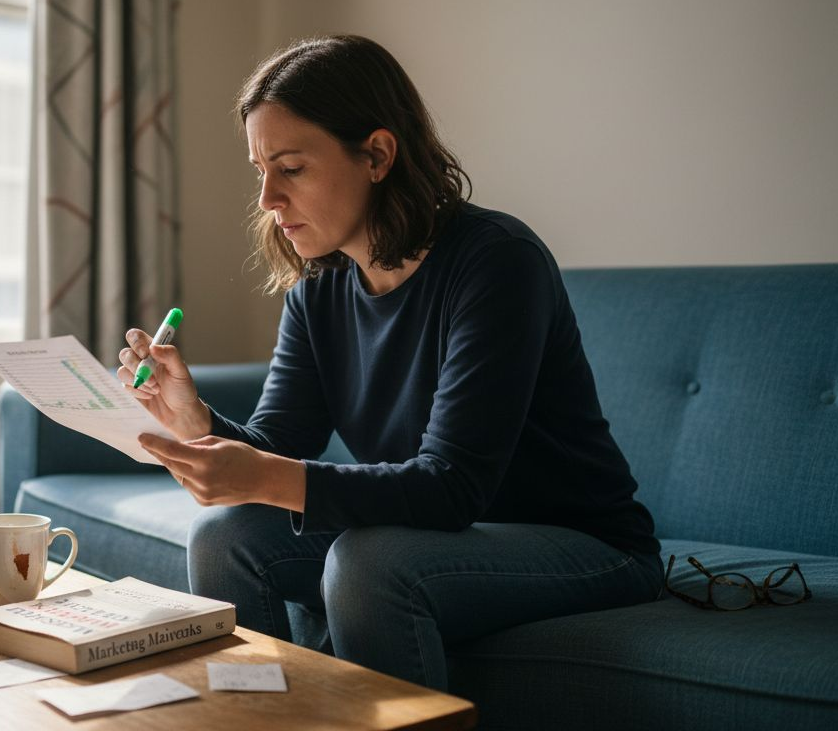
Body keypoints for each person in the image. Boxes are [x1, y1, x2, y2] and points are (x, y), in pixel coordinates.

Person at [115, 34, 662, 690]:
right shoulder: (318, 292)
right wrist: (194, 419)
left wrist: (267, 474)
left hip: (584, 544)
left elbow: (451, 486)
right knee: (223, 535)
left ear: (376, 155)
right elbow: (278, 445)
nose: (266, 198)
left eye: (291, 169)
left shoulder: (497, 262)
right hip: (445, 535)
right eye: (259, 170)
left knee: (368, 563)